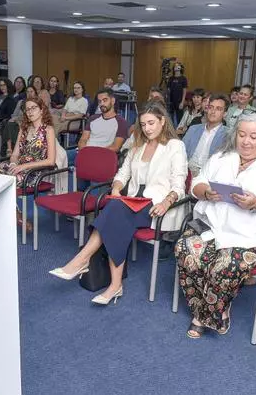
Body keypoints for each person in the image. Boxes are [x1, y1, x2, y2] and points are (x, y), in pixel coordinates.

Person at [49, 101, 188, 304]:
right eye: (143, 124)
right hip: (133, 201)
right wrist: (116, 187)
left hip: (158, 205)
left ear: (162, 121)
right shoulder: (137, 146)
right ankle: (113, 285)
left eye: (151, 123)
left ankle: (83, 261)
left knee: (114, 210)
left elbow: (179, 182)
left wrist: (167, 202)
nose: (147, 128)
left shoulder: (175, 146)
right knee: (116, 212)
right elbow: (122, 174)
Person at [176, 111, 256, 338]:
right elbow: (198, 183)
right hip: (211, 226)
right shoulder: (222, 157)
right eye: (242, 135)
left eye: (253, 136)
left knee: (224, 265)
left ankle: (204, 315)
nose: (246, 141)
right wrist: (206, 192)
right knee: (186, 251)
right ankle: (213, 307)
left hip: (250, 235)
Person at [0, 96, 57, 229]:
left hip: (34, 171)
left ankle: (14, 216)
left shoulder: (48, 130)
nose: (30, 112)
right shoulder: (24, 129)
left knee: (7, 180)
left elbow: (50, 161)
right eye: (27, 109)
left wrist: (23, 166)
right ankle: (15, 213)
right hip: (18, 166)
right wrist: (14, 164)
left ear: (42, 110)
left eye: (33, 108)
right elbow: (14, 154)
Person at [68, 88, 129, 167]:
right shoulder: (93, 118)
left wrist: (94, 153)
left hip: (102, 155)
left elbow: (115, 147)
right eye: (99, 101)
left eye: (105, 100)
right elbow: (83, 139)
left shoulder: (121, 122)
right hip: (83, 152)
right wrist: (84, 151)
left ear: (113, 101)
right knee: (58, 157)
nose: (101, 104)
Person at [182, 94, 229, 177]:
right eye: (211, 107)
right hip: (187, 171)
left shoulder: (228, 134)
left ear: (225, 113)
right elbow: (181, 152)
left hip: (208, 175)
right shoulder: (193, 129)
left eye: (218, 109)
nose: (213, 111)